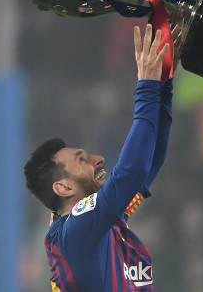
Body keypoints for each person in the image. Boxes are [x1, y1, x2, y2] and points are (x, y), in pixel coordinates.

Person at [24, 24, 178, 291]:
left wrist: (163, 84)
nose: (99, 159)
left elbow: (150, 162)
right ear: (64, 187)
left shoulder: (104, 225)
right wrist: (148, 86)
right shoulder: (76, 232)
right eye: (82, 160)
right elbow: (130, 174)